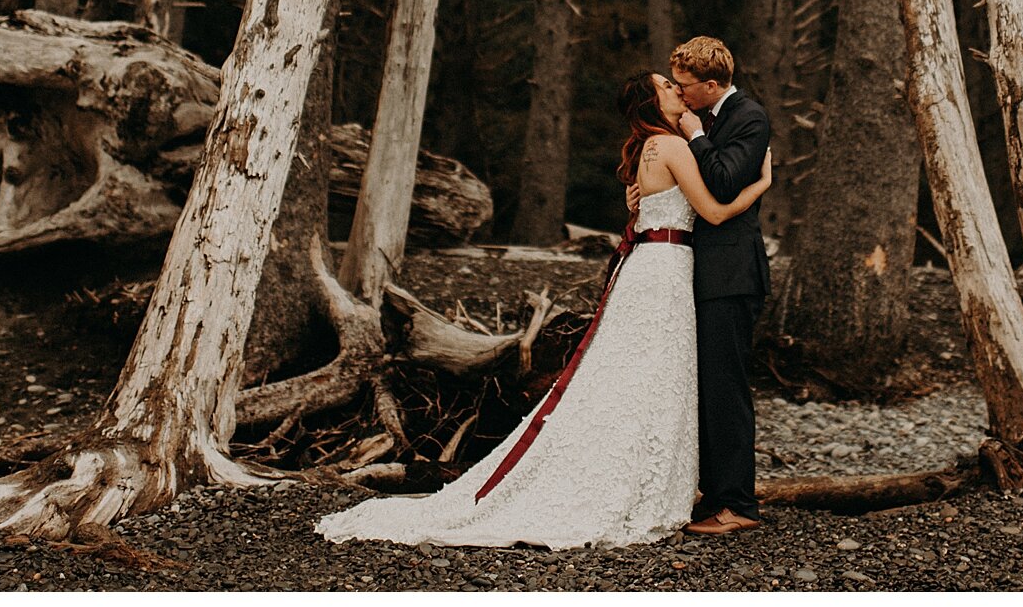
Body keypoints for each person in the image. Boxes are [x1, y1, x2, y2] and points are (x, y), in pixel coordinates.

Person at [314, 69, 771, 549]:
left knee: (639, 379)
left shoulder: (651, 148)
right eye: (667, 86)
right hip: (664, 272)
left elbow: (652, 206)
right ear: (652, 103)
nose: (678, 89)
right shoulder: (674, 146)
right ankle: (642, 483)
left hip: (652, 271)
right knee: (653, 378)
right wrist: (762, 180)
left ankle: (640, 477)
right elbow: (715, 211)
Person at [638, 35, 772, 536]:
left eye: (685, 85)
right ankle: (712, 494)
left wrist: (696, 135)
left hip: (731, 274)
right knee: (703, 388)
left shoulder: (749, 118)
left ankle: (737, 505)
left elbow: (720, 184)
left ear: (711, 85)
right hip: (696, 273)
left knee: (726, 389)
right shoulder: (698, 120)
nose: (679, 91)